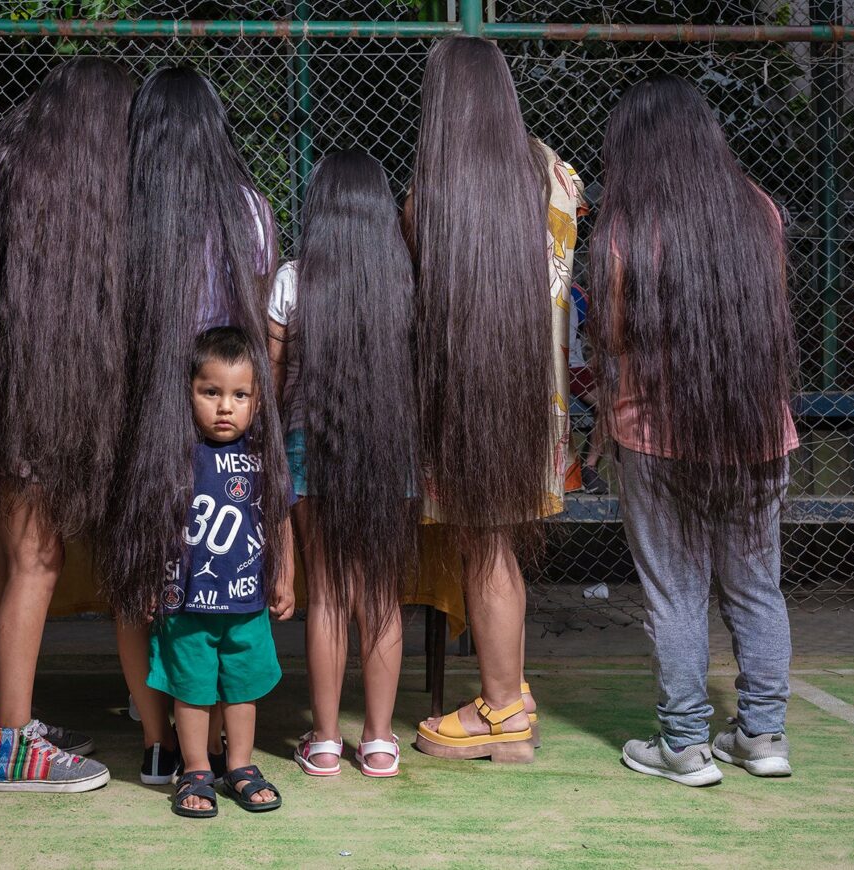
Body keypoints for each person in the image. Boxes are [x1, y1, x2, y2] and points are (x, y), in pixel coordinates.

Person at [590, 76, 798, 786]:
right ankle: (764, 737)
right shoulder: (759, 210)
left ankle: (685, 745)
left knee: (677, 591)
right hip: (758, 431)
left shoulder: (624, 228)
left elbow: (614, 338)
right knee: (756, 585)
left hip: (657, 434)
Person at [0, 59, 132, 792]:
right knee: (35, 566)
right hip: (32, 406)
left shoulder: (8, 162)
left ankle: (1, 720)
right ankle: (15, 749)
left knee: (5, 565)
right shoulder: (80, 193)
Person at [103, 66, 286, 787]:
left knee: (143, 584)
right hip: (228, 416)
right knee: (219, 593)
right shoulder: (254, 212)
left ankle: (157, 743)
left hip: (146, 417)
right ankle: (216, 756)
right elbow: (254, 327)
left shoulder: (127, 208)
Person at [408, 35, 586, 762]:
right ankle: (510, 691)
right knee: (499, 546)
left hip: (469, 401)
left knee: (484, 549)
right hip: (540, 402)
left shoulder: (431, 197)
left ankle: (503, 709)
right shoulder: (560, 176)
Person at [267, 151, 418, 778]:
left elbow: (271, 389)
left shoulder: (292, 280)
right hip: (389, 450)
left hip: (311, 448)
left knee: (326, 597)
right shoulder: (404, 278)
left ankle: (325, 742)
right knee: (380, 597)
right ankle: (380, 742)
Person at [150, 327, 295, 818]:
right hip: (186, 604)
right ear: (188, 392)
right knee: (191, 689)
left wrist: (285, 576)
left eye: (240, 395)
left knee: (242, 686)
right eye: (210, 392)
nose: (225, 407)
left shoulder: (262, 456)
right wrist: (150, 581)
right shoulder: (173, 456)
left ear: (258, 400)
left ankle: (240, 766)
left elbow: (279, 518)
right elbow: (154, 526)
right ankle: (194, 770)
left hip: (246, 602)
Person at [568, 282, 608, 494]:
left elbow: (594, 328)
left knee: (608, 404)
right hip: (541, 366)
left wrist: (596, 353)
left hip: (572, 365)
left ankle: (589, 468)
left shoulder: (575, 290)